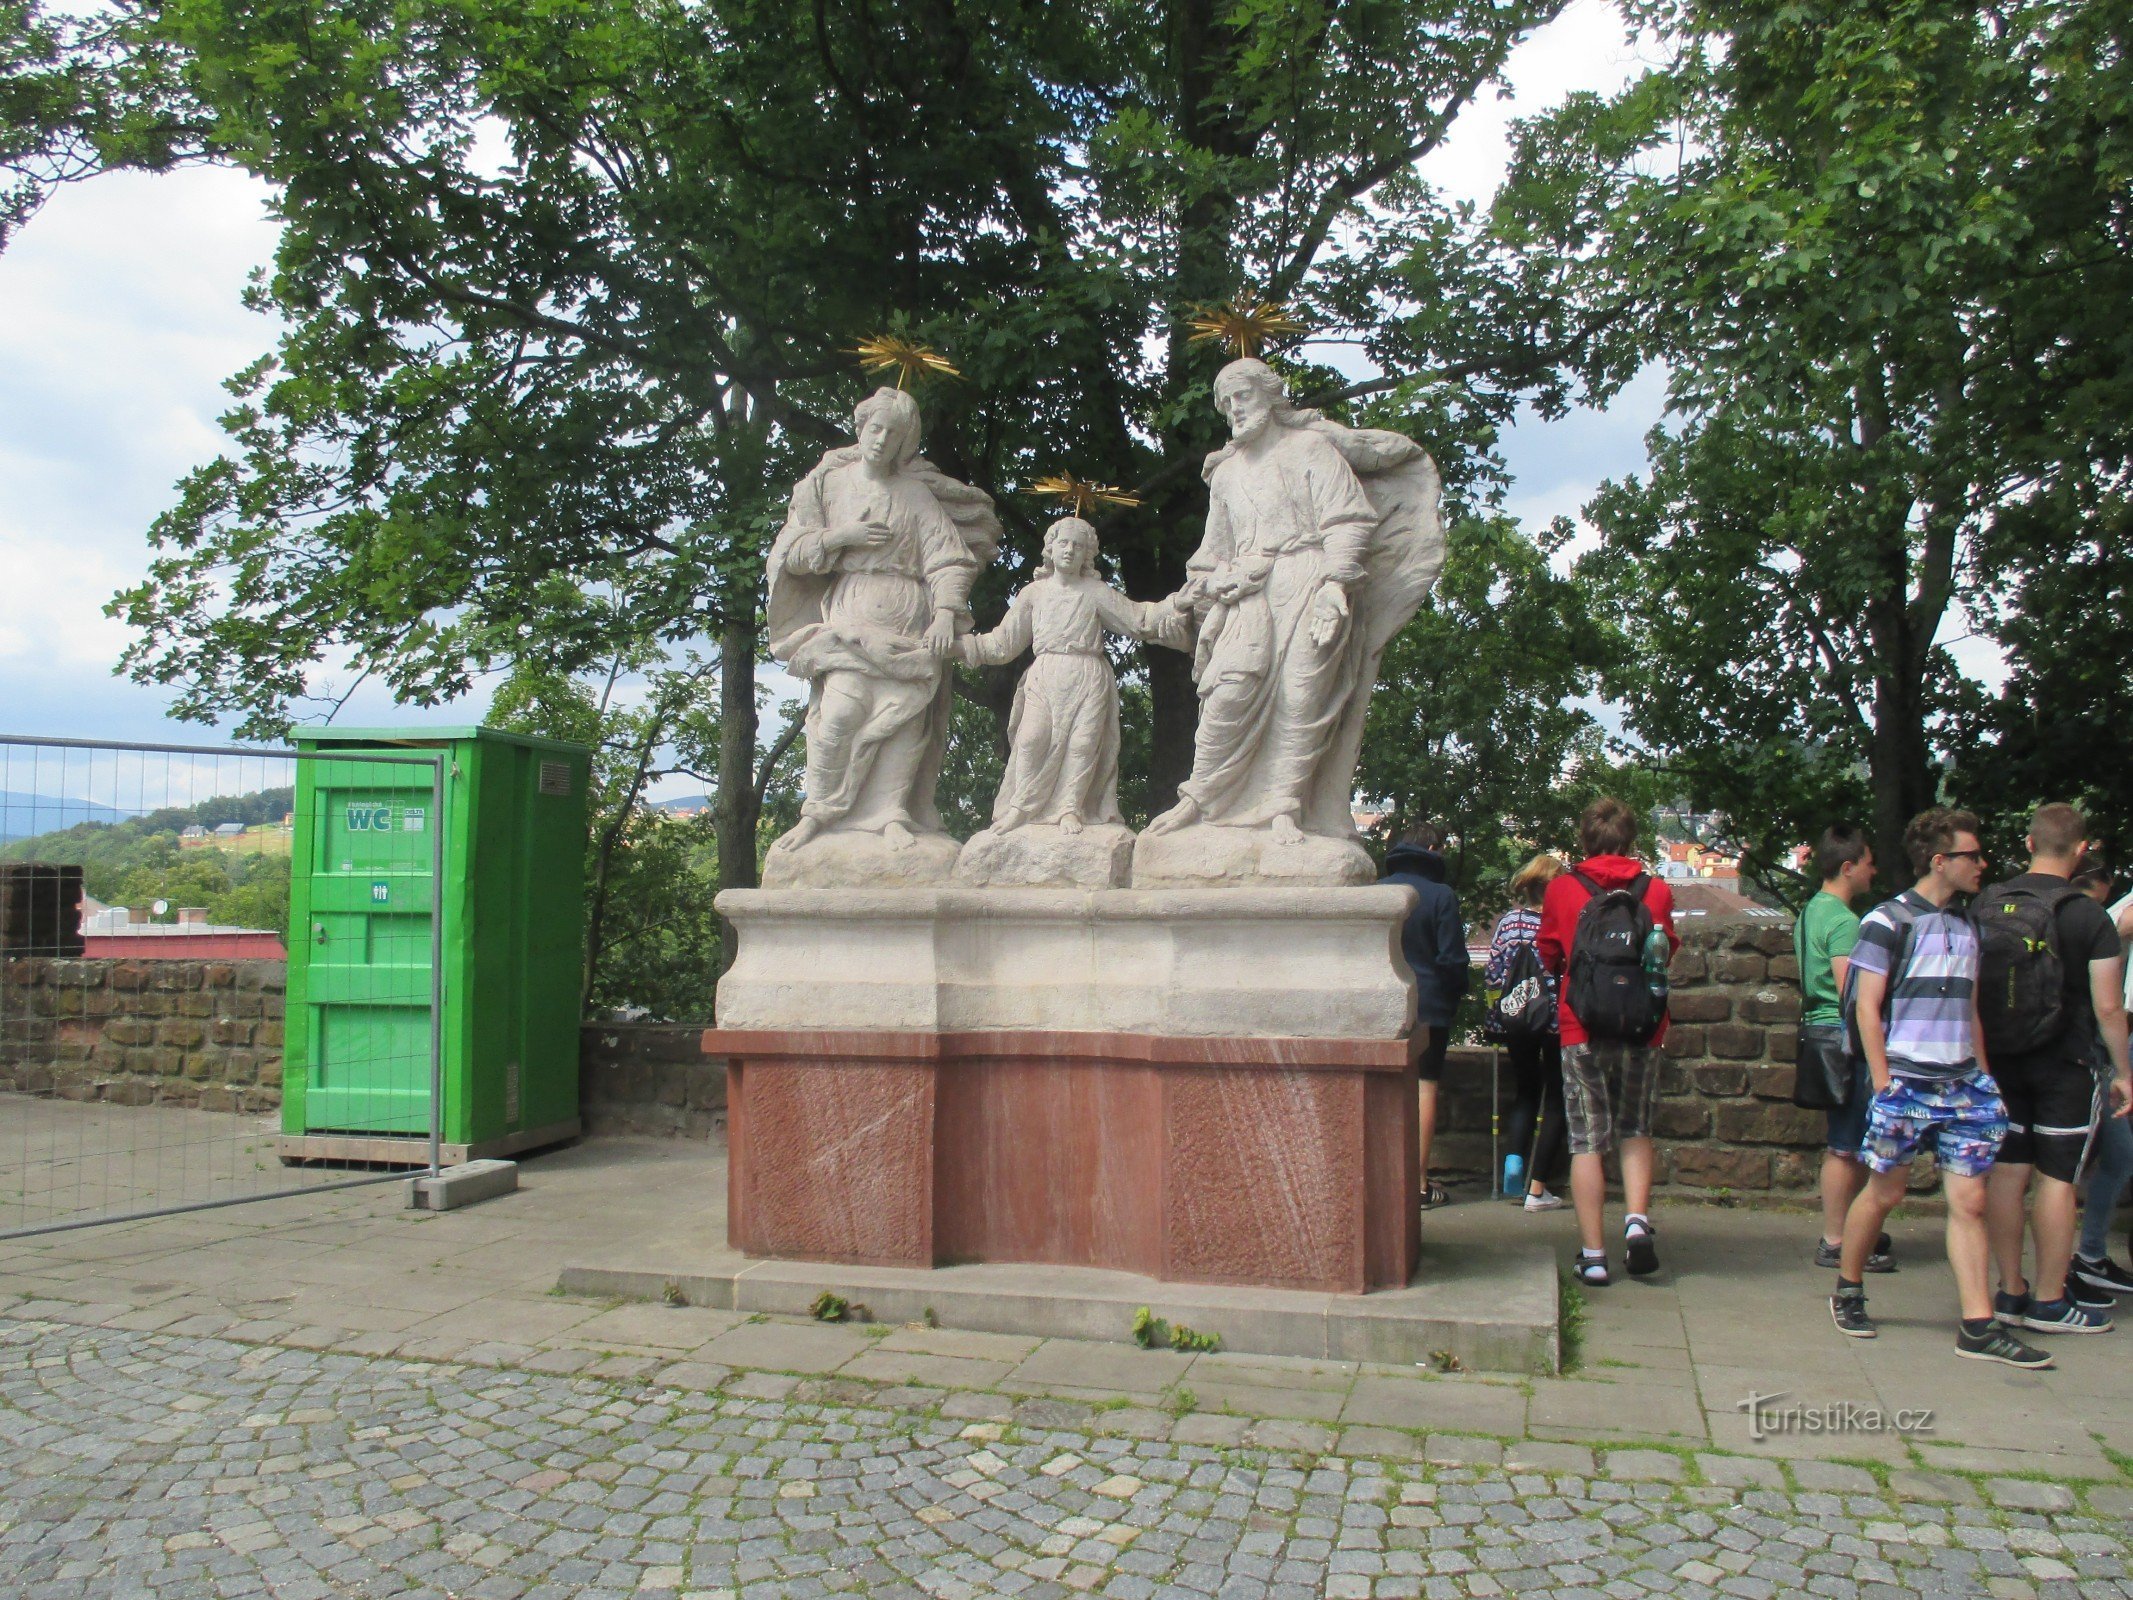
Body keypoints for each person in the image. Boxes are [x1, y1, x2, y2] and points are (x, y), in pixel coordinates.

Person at [1827, 808, 2048, 1367]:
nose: (1983, 864)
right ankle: (1849, 1287)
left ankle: (1977, 1325)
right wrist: (1884, 1085)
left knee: (1970, 1202)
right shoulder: (1887, 921)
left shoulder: (1967, 924)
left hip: (1963, 1086)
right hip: (1906, 1084)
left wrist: (1985, 1077)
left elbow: (1969, 1008)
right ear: (1940, 860)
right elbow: (1866, 1009)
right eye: (1973, 855)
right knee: (1886, 1193)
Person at [1979, 805, 2132, 1334]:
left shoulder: (1990, 902)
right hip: (2066, 1063)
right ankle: (2049, 1301)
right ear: (2082, 849)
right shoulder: (2089, 915)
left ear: (2028, 843)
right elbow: (2110, 1008)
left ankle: (2009, 1291)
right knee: (2057, 1179)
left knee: (2008, 1171)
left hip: (2000, 1058)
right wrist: (2122, 1070)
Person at [957, 518, 1189, 833]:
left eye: (1077, 545)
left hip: (1087, 676)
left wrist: (1175, 606)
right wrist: (961, 647)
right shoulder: (1034, 594)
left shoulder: (1095, 592)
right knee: (1030, 740)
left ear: (1087, 554)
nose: (1069, 550)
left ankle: (1071, 808)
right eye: (1063, 543)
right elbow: (1002, 644)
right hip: (1046, 675)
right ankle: (1021, 807)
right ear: (1050, 548)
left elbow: (1139, 619)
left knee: (1083, 744)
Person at [1538, 798, 1678, 1285]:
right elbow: (1666, 951)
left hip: (1582, 1026)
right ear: (1631, 839)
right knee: (1635, 1126)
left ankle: (1594, 1255)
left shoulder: (1560, 889)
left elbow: (1550, 953)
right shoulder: (1656, 891)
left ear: (1585, 839)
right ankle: (1636, 1224)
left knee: (1586, 1139)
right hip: (1644, 1027)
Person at [1797, 824, 1895, 1271]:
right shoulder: (1842, 921)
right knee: (1847, 1144)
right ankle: (1837, 1239)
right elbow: (1850, 993)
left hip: (1817, 1031)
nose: (1874, 871)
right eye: (1869, 863)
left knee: (1845, 1139)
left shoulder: (1812, 910)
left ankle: (1847, 1229)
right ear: (1849, 867)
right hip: (1842, 1039)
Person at [1383, 824, 1471, 1209]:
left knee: (1384, 1088)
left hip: (1382, 1002)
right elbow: (1451, 958)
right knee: (1425, 1086)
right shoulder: (1440, 895)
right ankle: (1417, 1185)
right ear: (1433, 849)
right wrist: (1456, 992)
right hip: (1430, 1003)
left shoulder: (1376, 891)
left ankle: (1381, 1179)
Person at [1487, 853, 1569, 1210]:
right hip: (1553, 1022)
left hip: (1518, 1020)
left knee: (1525, 1092)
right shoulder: (1560, 923)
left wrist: (1496, 1022)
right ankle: (1539, 1187)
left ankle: (1513, 1162)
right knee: (1556, 1098)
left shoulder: (1508, 923)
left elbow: (1494, 973)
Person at [2072, 855, 2133, 1296]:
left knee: (2119, 1154)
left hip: (2102, 1051)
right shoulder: (2096, 919)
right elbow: (2121, 922)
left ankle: (2089, 1256)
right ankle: (2080, 1263)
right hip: (2099, 1051)